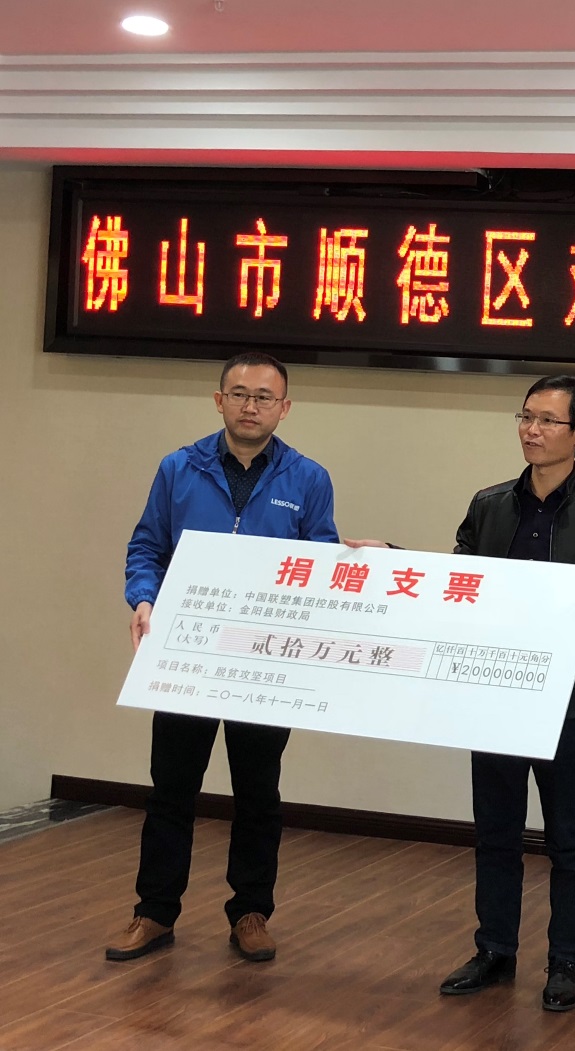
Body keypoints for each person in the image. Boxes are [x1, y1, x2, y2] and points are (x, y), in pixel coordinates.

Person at [106, 352, 338, 964]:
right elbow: (146, 546)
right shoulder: (178, 468)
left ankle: (251, 912)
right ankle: (155, 911)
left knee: (258, 791)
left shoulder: (308, 478)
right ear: (219, 401)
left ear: (284, 408)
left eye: (264, 397)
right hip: (187, 655)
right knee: (171, 788)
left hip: (265, 659)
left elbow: (322, 563)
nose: (250, 406)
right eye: (238, 394)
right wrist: (144, 599)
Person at [439, 375, 575, 1011]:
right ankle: (494, 950)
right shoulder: (489, 503)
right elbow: (459, 577)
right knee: (495, 830)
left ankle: (568, 961)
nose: (532, 430)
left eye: (548, 421)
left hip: (567, 697)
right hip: (494, 689)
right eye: (526, 416)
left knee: (567, 836)